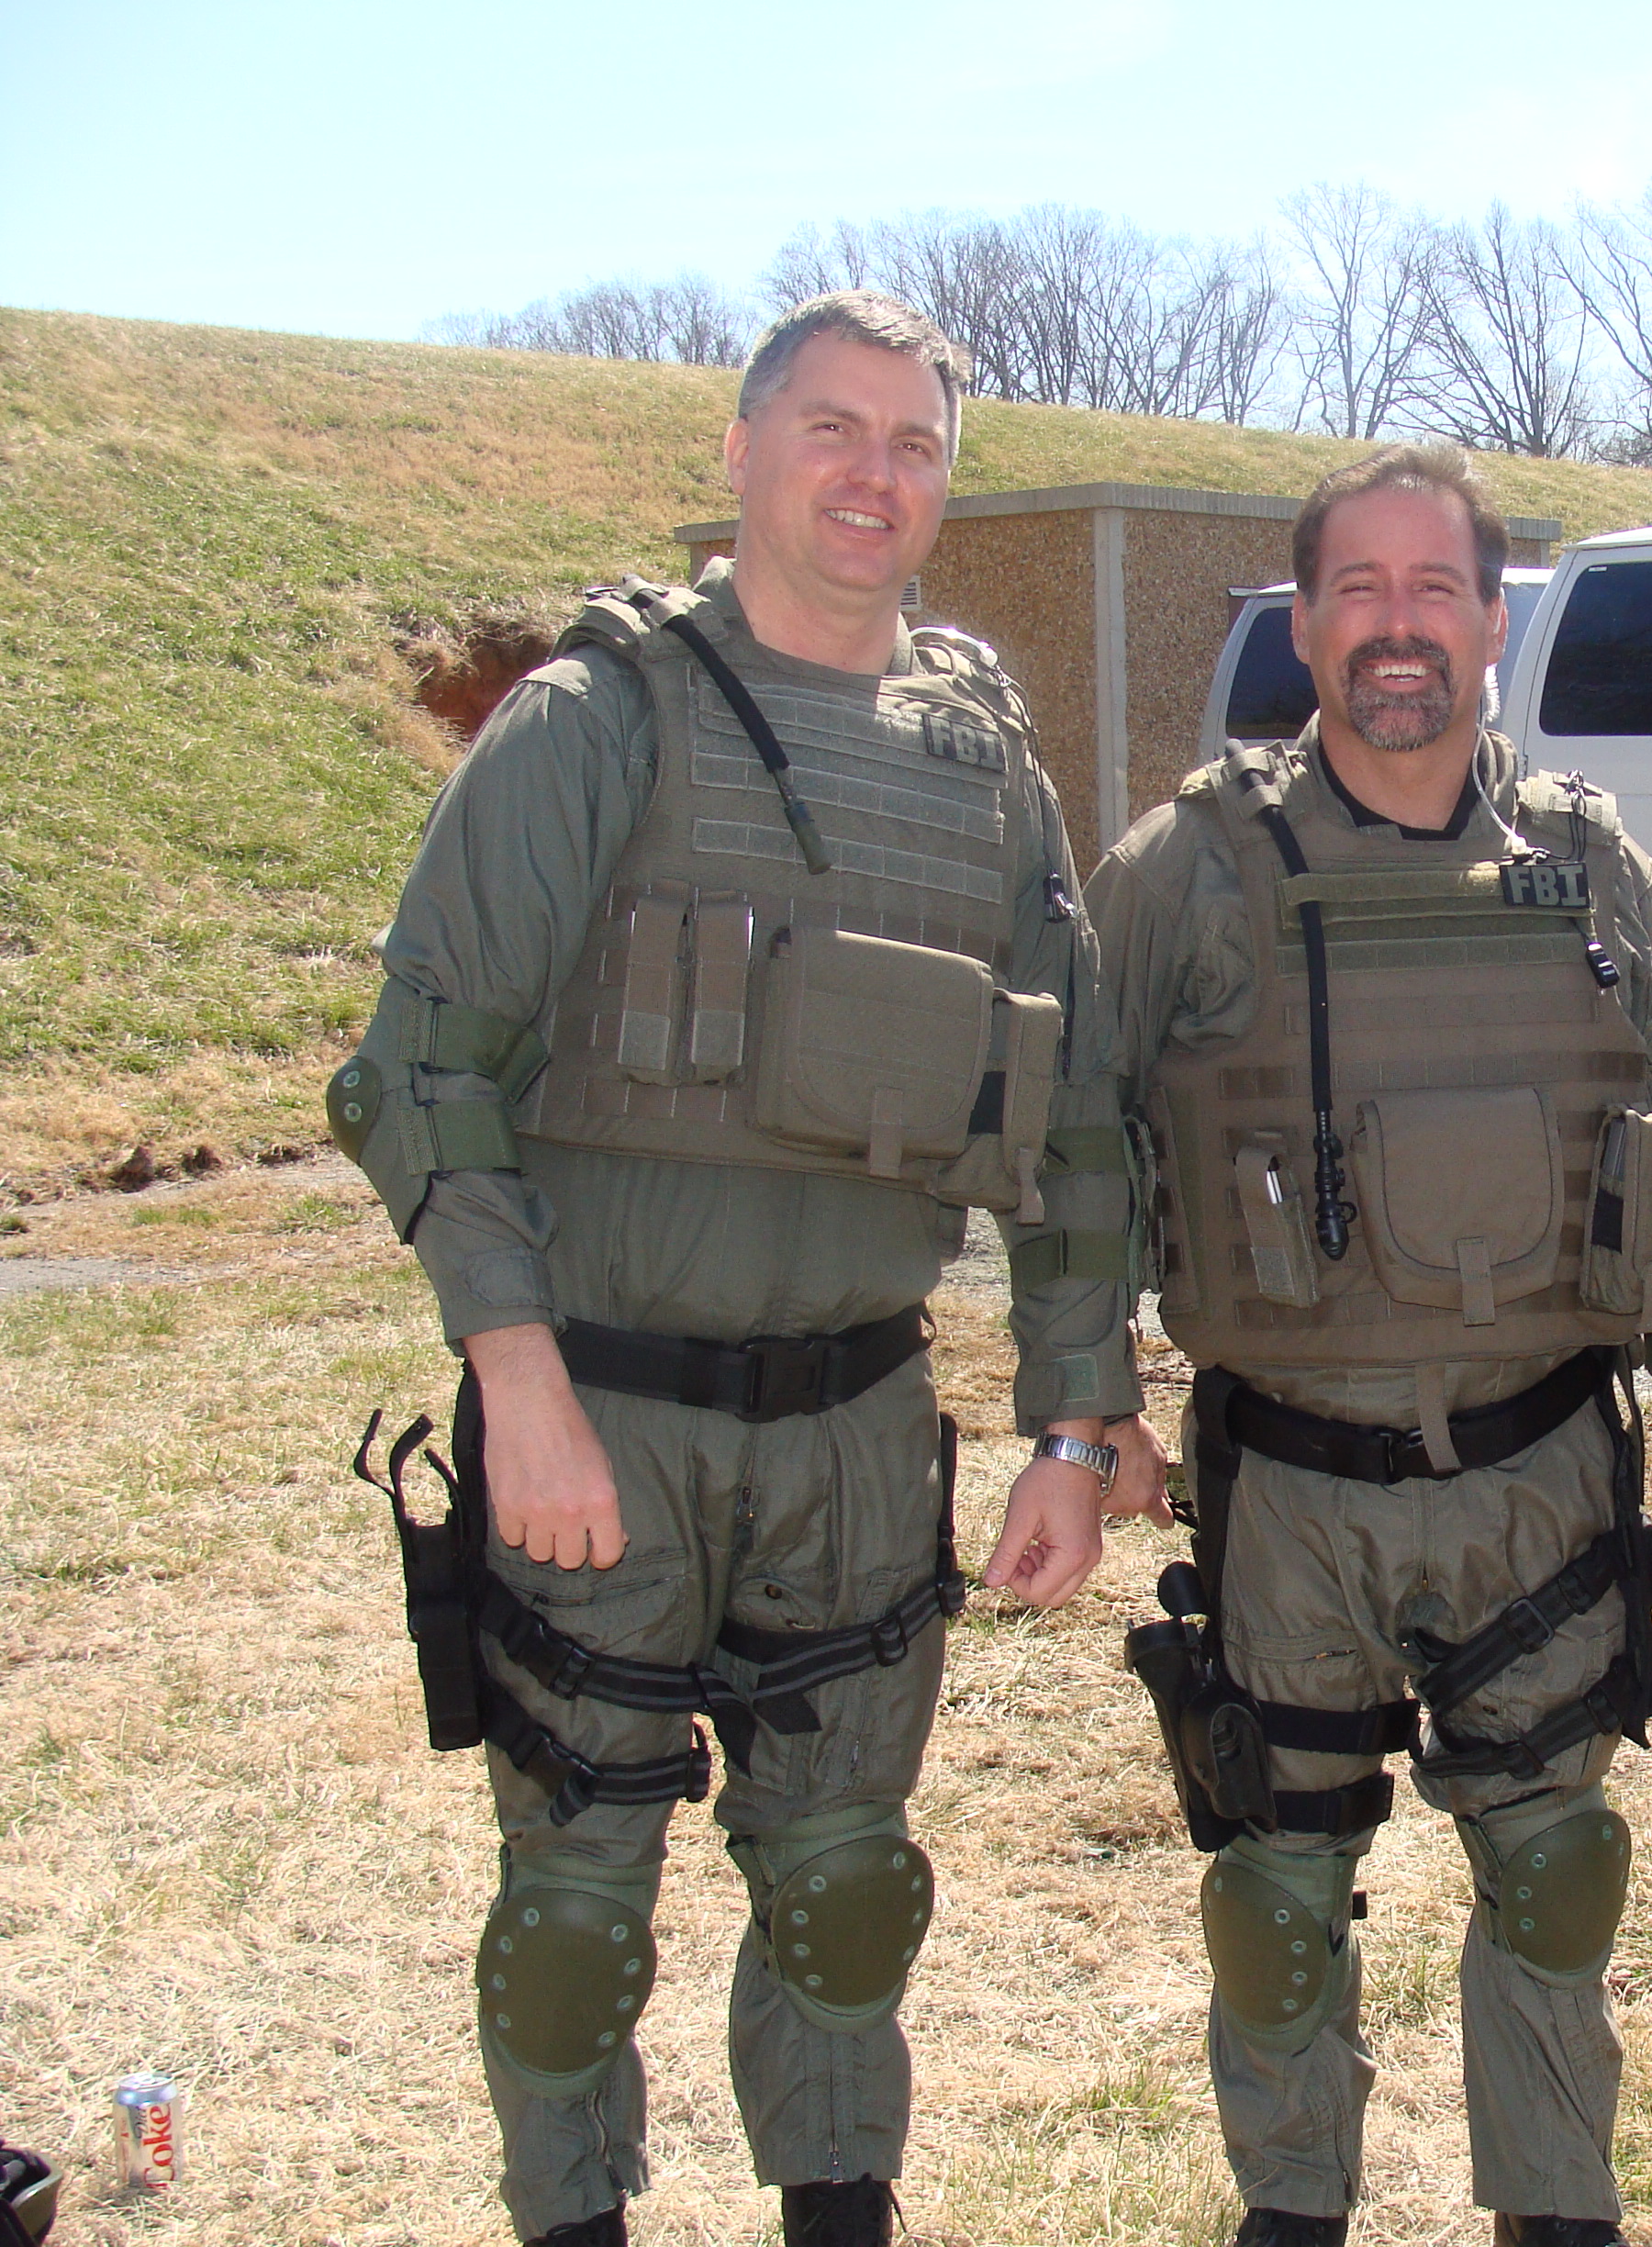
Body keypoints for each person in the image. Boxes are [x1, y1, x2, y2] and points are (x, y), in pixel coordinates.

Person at [329, 292, 1144, 2247]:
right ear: (744, 450)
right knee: (573, 1910)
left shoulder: (987, 778)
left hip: (859, 1430)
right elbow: (416, 1067)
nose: (875, 475)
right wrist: (516, 1382)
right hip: (595, 1417)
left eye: (917, 444)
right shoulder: (599, 722)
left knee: (846, 1888)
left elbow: (1077, 1119)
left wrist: (1071, 1417)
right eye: (834, 430)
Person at [1088, 444, 1652, 2247]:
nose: (1400, 625)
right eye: (1360, 591)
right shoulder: (1189, 869)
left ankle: (1559, 2220)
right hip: (1288, 1490)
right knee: (1278, 1905)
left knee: (1553, 1888)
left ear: (1491, 617)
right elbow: (1061, 1132)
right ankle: (1292, 2217)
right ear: (1307, 626)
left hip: (1541, 1474)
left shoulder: (1589, 864)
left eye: (1436, 588)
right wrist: (1088, 1398)